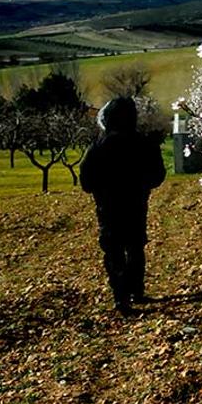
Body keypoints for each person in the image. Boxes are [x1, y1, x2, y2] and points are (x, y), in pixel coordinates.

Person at [80, 97, 166, 314]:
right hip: (136, 204)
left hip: (108, 208)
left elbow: (86, 182)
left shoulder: (97, 147)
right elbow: (158, 175)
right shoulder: (145, 144)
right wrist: (141, 186)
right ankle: (136, 291)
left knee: (113, 250)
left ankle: (121, 296)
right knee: (135, 247)